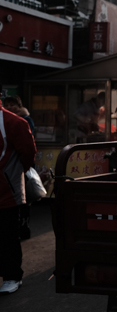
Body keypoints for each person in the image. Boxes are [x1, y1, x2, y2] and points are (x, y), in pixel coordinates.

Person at [0, 99, 37, 294]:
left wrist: (14, 174)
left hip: (7, 191)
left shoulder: (14, 122)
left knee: (8, 235)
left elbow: (28, 154)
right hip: (8, 186)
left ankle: (12, 276)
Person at [3, 96, 36, 241]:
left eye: (13, 104)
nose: (10, 107)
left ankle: (24, 227)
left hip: (8, 190)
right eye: (7, 104)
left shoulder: (20, 121)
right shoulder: (15, 121)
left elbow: (28, 152)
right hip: (9, 189)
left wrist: (18, 172)